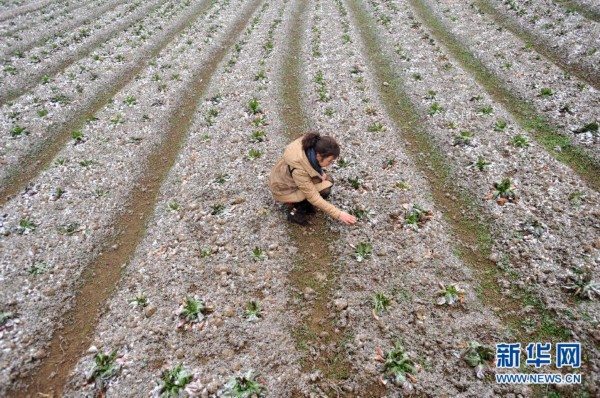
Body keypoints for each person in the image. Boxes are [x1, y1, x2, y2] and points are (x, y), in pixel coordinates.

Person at [269, 132, 357, 225]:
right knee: (325, 190)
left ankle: (303, 204)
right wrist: (339, 214)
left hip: (288, 179)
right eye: (329, 161)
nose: (331, 163)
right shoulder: (299, 170)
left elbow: (315, 167)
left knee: (329, 180)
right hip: (283, 190)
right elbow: (313, 197)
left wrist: (322, 171)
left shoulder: (310, 147)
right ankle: (295, 212)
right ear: (319, 155)